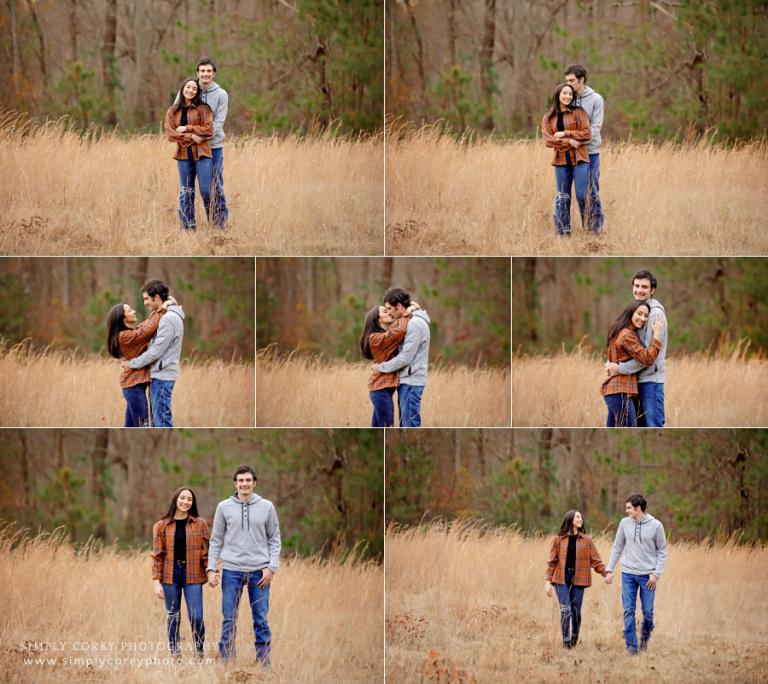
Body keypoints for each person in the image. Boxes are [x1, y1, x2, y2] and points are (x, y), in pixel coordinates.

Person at [207, 465, 281, 666]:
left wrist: (271, 567)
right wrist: (211, 568)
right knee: (229, 619)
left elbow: (274, 538)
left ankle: (263, 663)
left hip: (260, 571)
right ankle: (227, 663)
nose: (244, 484)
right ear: (235, 483)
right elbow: (216, 540)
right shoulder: (223, 507)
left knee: (260, 620)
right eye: (240, 480)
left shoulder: (267, 506)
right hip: (232, 570)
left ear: (254, 483)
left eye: (248, 480)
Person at [151, 486, 210, 660]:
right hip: (170, 575)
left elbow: (207, 551)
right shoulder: (161, 526)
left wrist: (211, 570)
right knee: (173, 616)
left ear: (193, 503)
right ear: (176, 499)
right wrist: (156, 581)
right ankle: (175, 655)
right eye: (182, 498)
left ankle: (199, 653)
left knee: (196, 616)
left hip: (193, 575)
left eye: (189, 499)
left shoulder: (200, 524)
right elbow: (157, 556)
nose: (185, 502)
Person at [605, 494, 668, 655]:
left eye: (629, 508)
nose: (626, 511)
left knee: (648, 612)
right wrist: (609, 569)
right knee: (628, 610)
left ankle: (644, 640)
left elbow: (662, 551)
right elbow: (617, 547)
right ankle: (631, 647)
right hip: (628, 574)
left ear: (638, 508)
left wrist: (656, 575)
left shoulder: (656, 525)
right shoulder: (624, 523)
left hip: (648, 576)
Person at [605, 270, 668, 427]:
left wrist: (619, 368)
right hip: (631, 383)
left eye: (644, 287)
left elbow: (647, 357)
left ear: (652, 290)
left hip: (649, 380)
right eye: (637, 285)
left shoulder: (654, 314)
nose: (639, 290)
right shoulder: (635, 316)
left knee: (652, 425)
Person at [106, 296, 175, 427]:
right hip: (133, 387)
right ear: (122, 317)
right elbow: (147, 330)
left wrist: (158, 310)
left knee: (131, 426)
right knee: (143, 425)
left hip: (134, 387)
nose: (134, 311)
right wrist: (164, 308)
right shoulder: (123, 336)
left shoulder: (129, 332)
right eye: (129, 310)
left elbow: (146, 324)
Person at [127, 279, 185, 427]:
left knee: (162, 422)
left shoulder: (169, 319)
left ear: (157, 297)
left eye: (147, 299)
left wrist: (133, 363)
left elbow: (155, 351)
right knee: (157, 421)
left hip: (162, 377)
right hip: (160, 375)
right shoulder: (166, 316)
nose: (145, 303)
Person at [545, 510, 606, 649]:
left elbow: (596, 561)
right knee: (565, 609)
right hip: (560, 578)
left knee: (576, 611)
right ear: (570, 519)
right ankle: (566, 641)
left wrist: (606, 573)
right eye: (577, 517)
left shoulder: (586, 540)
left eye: (581, 517)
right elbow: (552, 562)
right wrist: (548, 582)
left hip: (579, 578)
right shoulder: (558, 539)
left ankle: (574, 637)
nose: (580, 519)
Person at [541, 83, 592, 236]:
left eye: (570, 94)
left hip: (580, 160)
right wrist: (570, 142)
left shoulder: (579, 112)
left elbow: (587, 134)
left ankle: (588, 229)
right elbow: (548, 141)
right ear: (558, 95)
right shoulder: (548, 117)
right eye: (565, 93)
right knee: (563, 196)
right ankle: (563, 232)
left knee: (582, 195)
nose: (568, 96)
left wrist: (565, 134)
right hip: (561, 161)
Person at [375, 288, 431, 428]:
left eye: (390, 309)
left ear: (399, 306)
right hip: (407, 381)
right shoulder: (410, 320)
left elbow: (405, 357)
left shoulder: (415, 324)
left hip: (411, 382)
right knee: (405, 426)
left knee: (410, 427)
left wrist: (381, 367)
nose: (389, 312)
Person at [164, 77, 214, 230]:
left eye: (194, 88)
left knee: (206, 190)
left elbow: (209, 130)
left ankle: (213, 222)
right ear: (182, 88)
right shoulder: (173, 111)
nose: (191, 90)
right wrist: (192, 136)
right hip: (183, 154)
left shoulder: (203, 108)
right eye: (188, 87)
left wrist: (187, 128)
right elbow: (171, 134)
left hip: (202, 153)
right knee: (186, 190)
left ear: (197, 92)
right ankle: (188, 226)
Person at [564, 64, 605, 234]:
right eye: (566, 80)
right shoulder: (567, 97)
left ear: (581, 80)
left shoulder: (596, 99)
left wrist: (577, 141)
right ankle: (585, 226)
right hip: (569, 152)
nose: (568, 84)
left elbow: (595, 128)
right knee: (579, 194)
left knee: (591, 191)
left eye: (572, 80)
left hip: (590, 152)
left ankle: (595, 229)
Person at [194, 57, 229, 227]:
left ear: (214, 74)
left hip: (213, 146)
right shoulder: (189, 89)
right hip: (191, 146)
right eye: (202, 71)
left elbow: (218, 123)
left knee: (216, 185)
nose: (205, 74)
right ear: (197, 73)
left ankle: (219, 223)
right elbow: (177, 114)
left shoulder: (222, 95)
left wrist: (201, 136)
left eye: (209, 71)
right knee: (197, 189)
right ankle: (193, 224)